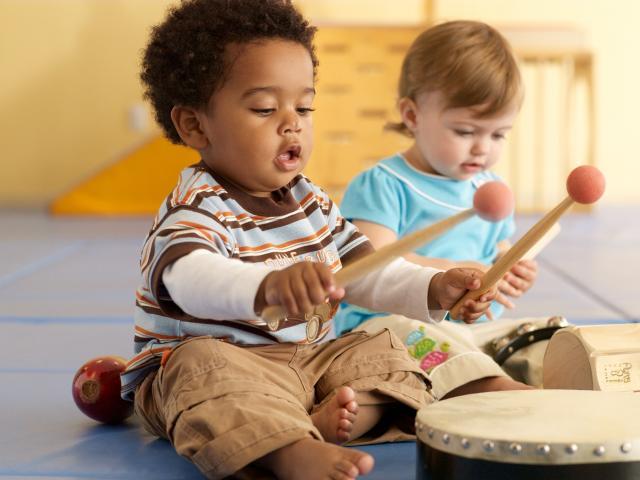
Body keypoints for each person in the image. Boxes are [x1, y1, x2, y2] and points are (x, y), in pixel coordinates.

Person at [120, 4, 524, 479]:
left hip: (307, 361)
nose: (292, 123)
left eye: (304, 107)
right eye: (265, 109)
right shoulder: (196, 205)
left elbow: (364, 274)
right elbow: (188, 279)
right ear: (195, 125)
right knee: (199, 369)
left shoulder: (310, 200)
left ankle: (356, 413)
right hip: (219, 366)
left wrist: (434, 288)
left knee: (391, 342)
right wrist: (268, 286)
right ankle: (289, 450)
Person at [334, 20, 546, 393]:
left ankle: (556, 379)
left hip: (470, 330)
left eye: (498, 134)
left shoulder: (491, 187)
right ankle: (491, 390)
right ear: (412, 116)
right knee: (427, 342)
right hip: (385, 326)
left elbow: (494, 250)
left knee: (543, 337)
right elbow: (370, 262)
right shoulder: (383, 184)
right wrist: (449, 272)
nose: (483, 147)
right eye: (465, 131)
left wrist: (509, 267)